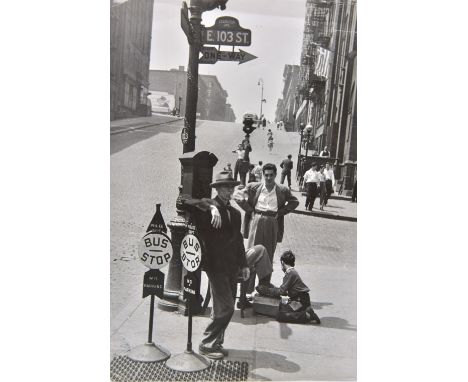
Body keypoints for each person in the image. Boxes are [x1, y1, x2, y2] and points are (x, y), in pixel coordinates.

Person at [193, 171, 250, 360]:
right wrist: (211, 206)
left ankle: (216, 343)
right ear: (217, 189)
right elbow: (185, 199)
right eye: (225, 187)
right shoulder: (209, 207)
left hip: (232, 267)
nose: (229, 191)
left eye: (232, 187)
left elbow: (239, 241)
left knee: (224, 307)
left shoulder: (235, 213)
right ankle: (206, 343)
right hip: (216, 267)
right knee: (226, 308)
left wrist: (244, 265)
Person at [234, 163, 299, 296]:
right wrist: (250, 210)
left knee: (267, 256)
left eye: (271, 175)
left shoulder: (282, 190)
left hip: (272, 223)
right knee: (252, 254)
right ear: (263, 175)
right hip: (257, 219)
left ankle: (263, 289)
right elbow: (237, 196)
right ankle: (247, 291)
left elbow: (294, 202)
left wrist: (281, 212)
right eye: (266, 175)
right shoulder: (254, 187)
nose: (268, 178)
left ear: (275, 175)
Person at [256, 250, 320, 324]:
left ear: (282, 263)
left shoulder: (290, 273)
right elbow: (284, 291)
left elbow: (281, 291)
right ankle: (306, 311)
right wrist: (272, 288)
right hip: (299, 299)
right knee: (282, 305)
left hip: (300, 301)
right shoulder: (292, 272)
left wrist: (266, 290)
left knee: (280, 315)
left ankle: (306, 315)